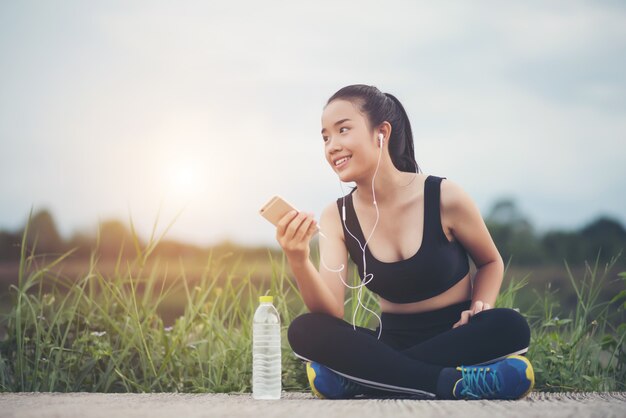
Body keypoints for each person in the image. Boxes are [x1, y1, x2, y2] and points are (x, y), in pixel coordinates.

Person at [275, 84, 533, 400]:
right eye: (325, 137)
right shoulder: (337, 216)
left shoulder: (444, 196)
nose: (332, 146)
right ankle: (452, 383)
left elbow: (491, 262)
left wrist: (482, 305)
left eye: (343, 130)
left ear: (380, 133)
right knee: (305, 329)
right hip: (390, 342)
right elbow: (330, 312)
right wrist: (298, 259)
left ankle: (364, 379)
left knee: (510, 325)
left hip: (457, 336)